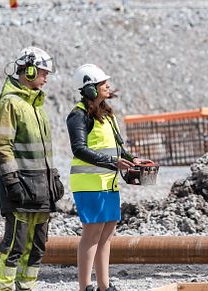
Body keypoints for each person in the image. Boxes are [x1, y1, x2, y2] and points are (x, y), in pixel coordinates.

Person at [66, 64, 153, 291]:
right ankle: (85, 286)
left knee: (107, 232)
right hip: (89, 183)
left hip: (108, 181)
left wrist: (133, 159)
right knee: (92, 232)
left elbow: (117, 148)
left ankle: (104, 286)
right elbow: (79, 149)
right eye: (103, 83)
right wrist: (112, 162)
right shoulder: (78, 115)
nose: (108, 86)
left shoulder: (107, 114)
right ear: (90, 89)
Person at [0, 46, 63, 291]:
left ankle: (26, 287)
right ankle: (3, 288)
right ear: (29, 71)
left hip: (41, 189)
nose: (46, 78)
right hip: (21, 188)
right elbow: (2, 145)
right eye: (43, 73)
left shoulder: (37, 106)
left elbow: (42, 151)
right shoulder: (10, 103)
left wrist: (53, 178)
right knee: (15, 245)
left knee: (37, 246)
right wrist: (11, 180)